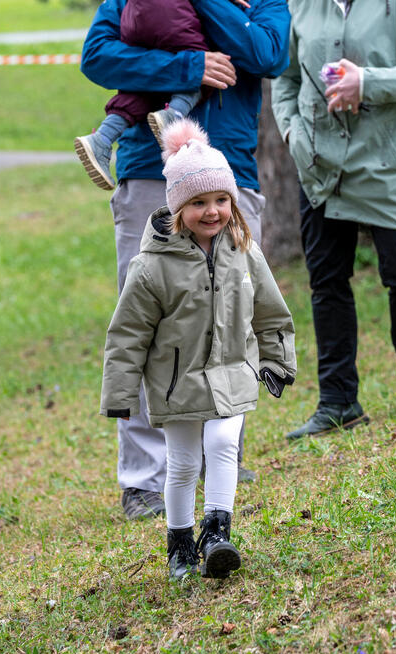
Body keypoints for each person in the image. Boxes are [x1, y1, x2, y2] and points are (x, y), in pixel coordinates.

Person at [80, 0, 290, 520]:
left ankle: (224, 456)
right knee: (149, 320)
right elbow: (99, 55)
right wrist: (187, 70)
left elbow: (267, 52)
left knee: (233, 318)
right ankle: (146, 481)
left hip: (229, 173)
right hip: (151, 171)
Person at [100, 119, 296, 579]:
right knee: (184, 463)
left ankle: (217, 529)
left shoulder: (245, 251)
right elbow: (127, 334)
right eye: (200, 202)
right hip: (178, 382)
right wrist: (121, 394)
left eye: (222, 200)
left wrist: (276, 360)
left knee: (225, 443)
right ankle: (181, 542)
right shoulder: (150, 267)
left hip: (232, 370)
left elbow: (271, 312)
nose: (214, 212)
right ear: (177, 207)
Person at [271, 0, 396, 440]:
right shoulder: (300, 5)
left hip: (390, 164)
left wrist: (366, 82)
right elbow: (286, 78)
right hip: (319, 163)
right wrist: (292, 131)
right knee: (327, 282)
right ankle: (338, 402)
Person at [74, 0, 249, 191]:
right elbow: (94, 56)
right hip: (168, 10)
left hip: (137, 16)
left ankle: (103, 138)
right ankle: (173, 114)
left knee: (149, 83)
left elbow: (268, 58)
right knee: (204, 69)